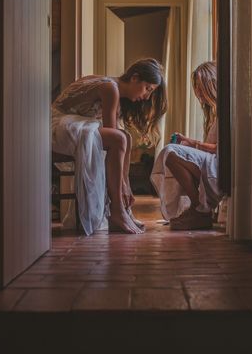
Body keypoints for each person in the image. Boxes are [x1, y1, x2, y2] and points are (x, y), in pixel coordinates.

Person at [51, 58, 167, 235]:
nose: (147, 96)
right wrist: (123, 185)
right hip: (56, 127)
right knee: (119, 139)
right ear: (135, 78)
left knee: (125, 138)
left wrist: (125, 183)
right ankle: (117, 210)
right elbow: (113, 137)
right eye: (148, 89)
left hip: (73, 127)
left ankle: (122, 209)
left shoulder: (114, 89)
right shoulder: (110, 88)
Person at [150, 61, 220, 230]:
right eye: (195, 87)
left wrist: (192, 143)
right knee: (171, 154)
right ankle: (198, 209)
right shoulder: (213, 113)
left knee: (171, 154)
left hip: (218, 165)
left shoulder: (225, 111)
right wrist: (189, 143)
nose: (197, 92)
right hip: (212, 162)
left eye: (200, 86)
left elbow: (218, 148)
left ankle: (200, 210)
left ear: (211, 84)